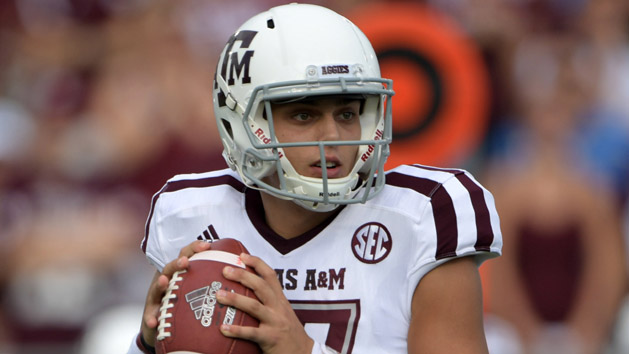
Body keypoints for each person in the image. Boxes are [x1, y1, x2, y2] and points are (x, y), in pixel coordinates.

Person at [127, 4, 502, 354]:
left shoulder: (427, 213)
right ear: (244, 124)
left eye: (347, 113)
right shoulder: (190, 213)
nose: (334, 137)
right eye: (304, 116)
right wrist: (146, 344)